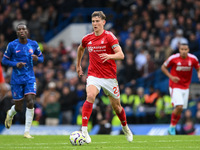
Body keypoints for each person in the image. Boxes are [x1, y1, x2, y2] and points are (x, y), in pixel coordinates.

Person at [76, 11, 133, 143]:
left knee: (117, 107)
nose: (95, 24)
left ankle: (125, 127)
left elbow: (121, 55)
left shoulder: (109, 37)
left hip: (109, 77)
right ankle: (84, 131)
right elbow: (80, 49)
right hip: (93, 75)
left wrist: (109, 56)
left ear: (103, 22)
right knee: (90, 96)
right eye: (93, 21)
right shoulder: (87, 38)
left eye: (97, 21)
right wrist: (78, 66)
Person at [2, 23, 44, 138]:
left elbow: (42, 58)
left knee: (30, 101)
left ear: (27, 31)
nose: (21, 30)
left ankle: (27, 132)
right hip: (16, 79)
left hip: (30, 78)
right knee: (19, 107)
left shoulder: (33, 44)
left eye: (23, 29)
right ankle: (10, 114)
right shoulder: (12, 45)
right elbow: (4, 61)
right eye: (19, 29)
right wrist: (16, 64)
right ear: (17, 32)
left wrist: (37, 58)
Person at [161, 43, 200, 135]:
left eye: (185, 49)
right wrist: (171, 77)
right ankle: (172, 127)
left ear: (188, 50)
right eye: (182, 49)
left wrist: (198, 74)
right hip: (175, 85)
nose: (183, 51)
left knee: (180, 109)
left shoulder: (193, 59)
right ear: (179, 50)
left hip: (186, 87)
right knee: (179, 106)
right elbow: (163, 67)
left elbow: (198, 68)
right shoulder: (173, 58)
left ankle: (172, 127)